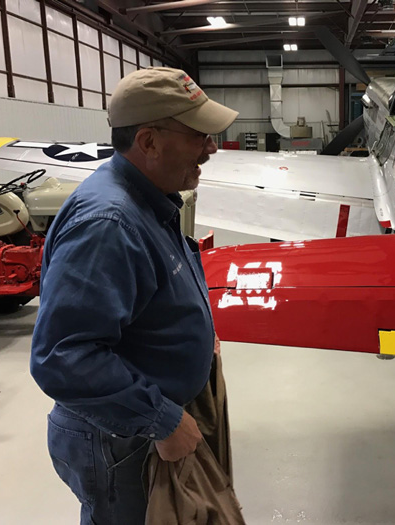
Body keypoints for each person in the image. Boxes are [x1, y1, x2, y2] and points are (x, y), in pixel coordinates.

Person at [30, 67, 239, 524]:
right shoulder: (108, 223)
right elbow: (63, 356)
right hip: (121, 439)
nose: (210, 148)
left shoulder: (149, 199)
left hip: (137, 426)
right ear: (148, 142)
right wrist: (160, 418)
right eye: (199, 135)